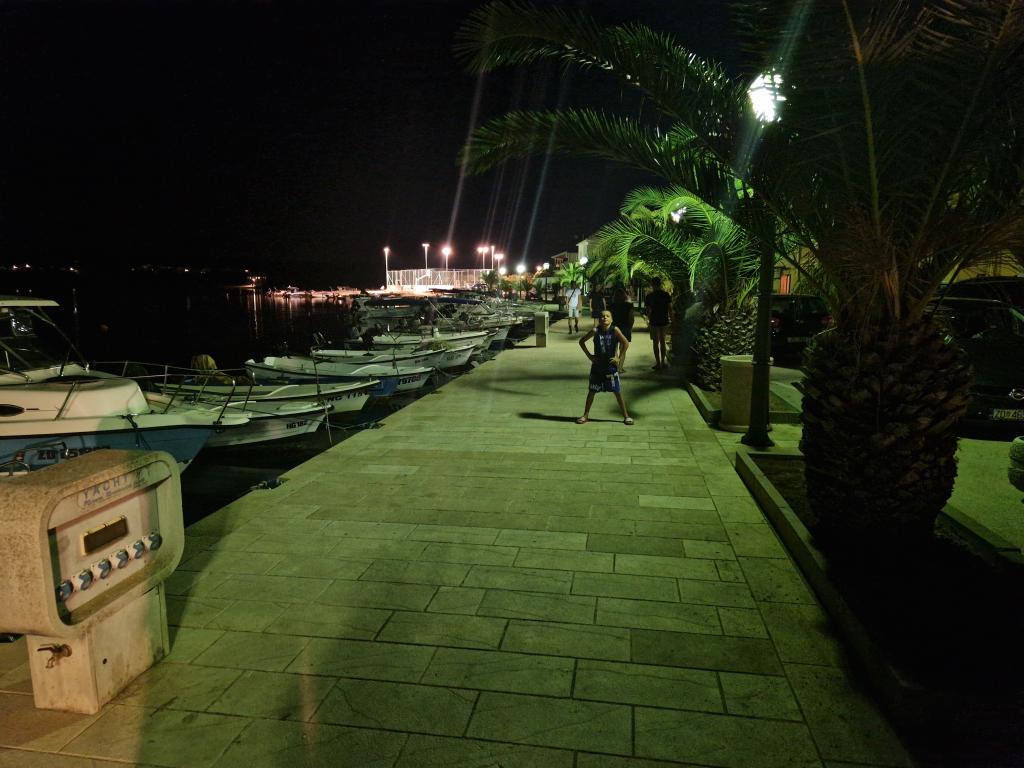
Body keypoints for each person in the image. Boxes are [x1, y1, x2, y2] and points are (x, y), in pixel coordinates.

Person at [576, 310, 633, 425]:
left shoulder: (615, 330)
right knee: (592, 391)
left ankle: (626, 416)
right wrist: (590, 356)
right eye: (602, 316)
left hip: (611, 367)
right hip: (597, 367)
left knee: (617, 391)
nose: (605, 318)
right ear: (599, 319)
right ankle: (585, 415)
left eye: (607, 316)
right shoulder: (595, 331)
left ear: (611, 319)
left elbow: (625, 343)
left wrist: (619, 358)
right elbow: (581, 341)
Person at [644, 277, 672, 370]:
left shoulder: (649, 296)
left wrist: (648, 318)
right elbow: (670, 308)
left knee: (655, 342)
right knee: (663, 341)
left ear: (652, 284)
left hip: (654, 321)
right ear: (660, 284)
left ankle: (658, 363)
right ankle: (663, 362)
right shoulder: (666, 295)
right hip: (664, 320)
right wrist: (672, 319)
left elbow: (648, 310)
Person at [609, 286, 635, 371]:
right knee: (623, 349)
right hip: (625, 328)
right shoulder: (629, 306)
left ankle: (616, 366)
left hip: (614, 329)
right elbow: (631, 318)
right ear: (624, 296)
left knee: (614, 349)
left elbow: (609, 319)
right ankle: (620, 367)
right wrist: (630, 327)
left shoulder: (611, 306)